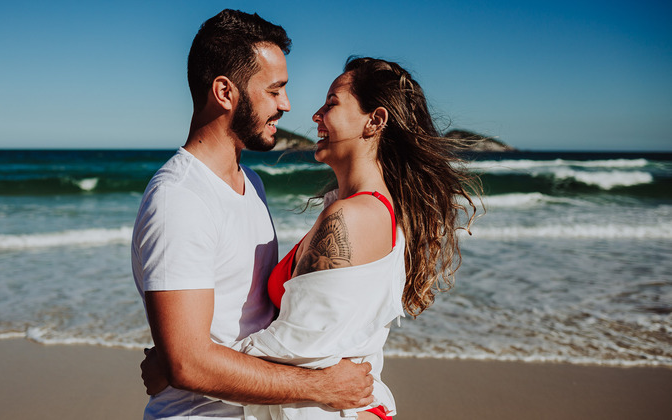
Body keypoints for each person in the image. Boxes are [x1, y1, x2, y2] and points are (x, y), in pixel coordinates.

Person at [143, 55, 482, 419]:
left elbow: (293, 348)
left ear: (375, 121)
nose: (315, 115)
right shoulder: (369, 210)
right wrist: (187, 359)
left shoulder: (350, 218)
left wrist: (182, 364)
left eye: (332, 104)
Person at [131, 9, 375, 420]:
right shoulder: (179, 199)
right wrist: (322, 387)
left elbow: (252, 314)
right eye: (275, 89)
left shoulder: (251, 183)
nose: (286, 104)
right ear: (225, 92)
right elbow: (188, 364)